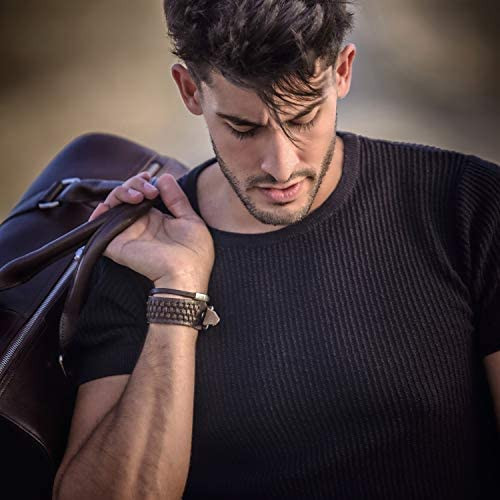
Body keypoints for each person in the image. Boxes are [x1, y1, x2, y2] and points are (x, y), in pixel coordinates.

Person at [53, 1, 500, 498]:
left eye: (304, 117)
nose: (281, 166)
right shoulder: (141, 251)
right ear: (190, 90)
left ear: (343, 71)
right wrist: (177, 295)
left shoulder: (468, 207)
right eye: (244, 129)